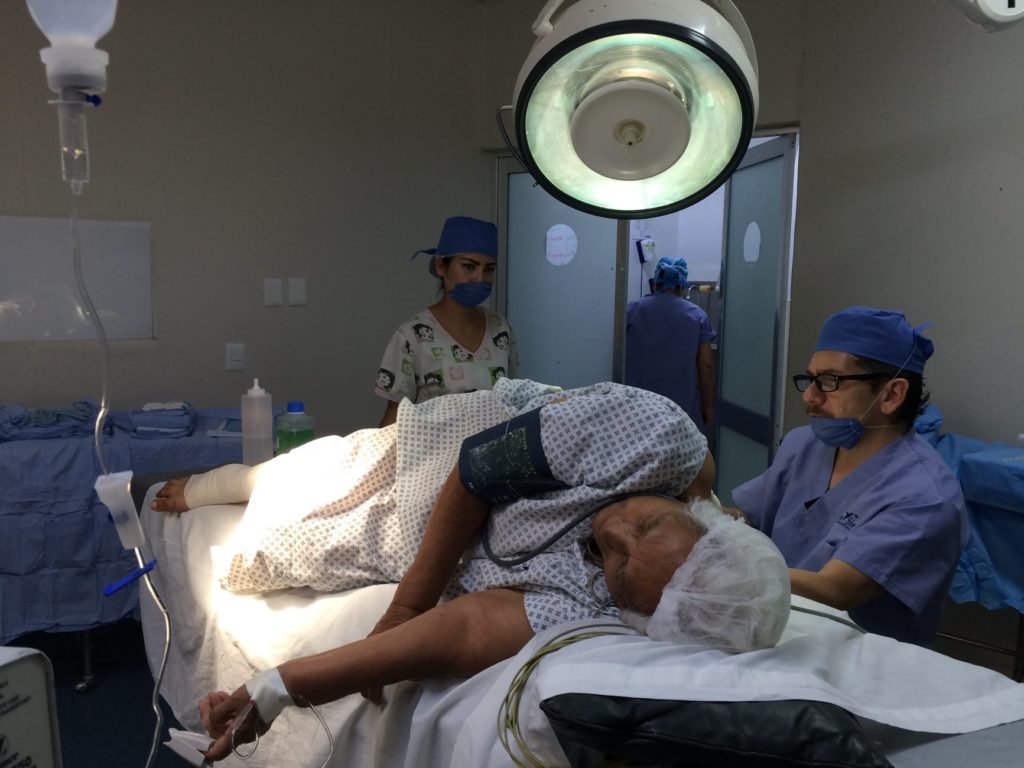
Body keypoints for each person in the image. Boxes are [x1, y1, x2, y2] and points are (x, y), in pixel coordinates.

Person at [152, 379, 790, 761]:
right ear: (706, 516)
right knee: (310, 477)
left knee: (268, 556)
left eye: (619, 564)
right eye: (647, 525)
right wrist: (405, 608)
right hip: (465, 445)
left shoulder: (595, 607)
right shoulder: (655, 438)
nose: (611, 531)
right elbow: (475, 470)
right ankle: (221, 483)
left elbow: (464, 630)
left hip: (444, 537)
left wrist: (278, 688)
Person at [729, 306, 968, 646]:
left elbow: (835, 589)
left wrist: (729, 571)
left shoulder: (925, 496)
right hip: (773, 632)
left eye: (830, 381)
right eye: (810, 379)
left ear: (891, 394)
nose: (809, 396)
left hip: (856, 659)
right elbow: (749, 516)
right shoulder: (804, 444)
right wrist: (696, 518)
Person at [375, 215, 518, 427]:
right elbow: (395, 418)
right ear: (441, 266)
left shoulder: (501, 331)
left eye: (489, 269)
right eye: (469, 266)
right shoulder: (413, 336)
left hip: (490, 447)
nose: (480, 278)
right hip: (431, 448)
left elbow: (511, 401)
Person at [625, 256, 716, 434]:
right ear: (682, 285)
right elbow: (706, 364)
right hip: (680, 409)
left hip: (637, 408)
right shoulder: (697, 316)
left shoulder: (631, 310)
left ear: (656, 282)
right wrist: (707, 406)